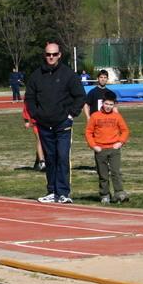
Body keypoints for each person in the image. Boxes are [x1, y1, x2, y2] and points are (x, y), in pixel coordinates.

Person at [25, 41, 85, 204]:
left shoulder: (68, 74)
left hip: (63, 124)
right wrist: (36, 115)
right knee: (50, 158)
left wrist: (71, 115)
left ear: (59, 55)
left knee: (63, 156)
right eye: (48, 54)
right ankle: (52, 191)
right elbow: (29, 98)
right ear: (44, 55)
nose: (51, 57)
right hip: (44, 124)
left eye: (54, 54)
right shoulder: (36, 75)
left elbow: (80, 96)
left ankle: (63, 192)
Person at [85, 90, 130, 204]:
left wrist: (120, 142)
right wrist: (94, 145)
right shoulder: (95, 116)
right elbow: (89, 132)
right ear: (102, 103)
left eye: (111, 105)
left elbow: (125, 130)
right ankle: (104, 194)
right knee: (103, 174)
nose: (108, 107)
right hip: (100, 150)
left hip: (114, 149)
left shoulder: (117, 116)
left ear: (114, 105)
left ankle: (119, 193)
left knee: (116, 172)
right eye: (106, 104)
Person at [22, 100, 45, 171]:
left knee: (45, 141)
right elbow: (26, 105)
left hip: (47, 119)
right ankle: (42, 163)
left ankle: (37, 161)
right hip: (36, 120)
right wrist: (26, 120)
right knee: (40, 139)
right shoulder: (31, 91)